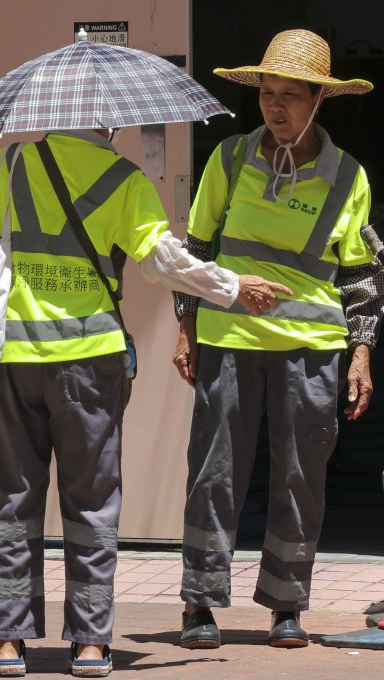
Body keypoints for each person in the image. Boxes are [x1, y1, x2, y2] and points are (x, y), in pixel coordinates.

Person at [0, 131, 290, 677]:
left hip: (17, 355)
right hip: (90, 360)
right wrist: (231, 285)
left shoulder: (9, 163)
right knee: (92, 502)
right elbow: (164, 262)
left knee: (13, 498)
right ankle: (90, 644)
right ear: (109, 121)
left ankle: (6, 640)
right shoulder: (124, 181)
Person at [172, 28, 382, 650]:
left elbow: (362, 274)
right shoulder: (230, 160)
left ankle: (287, 605)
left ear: (320, 99)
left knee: (300, 478)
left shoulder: (347, 176)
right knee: (214, 475)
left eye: (291, 95)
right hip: (230, 340)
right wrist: (187, 329)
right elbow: (196, 252)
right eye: (268, 93)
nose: (276, 107)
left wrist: (362, 353)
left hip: (312, 349)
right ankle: (199, 604)